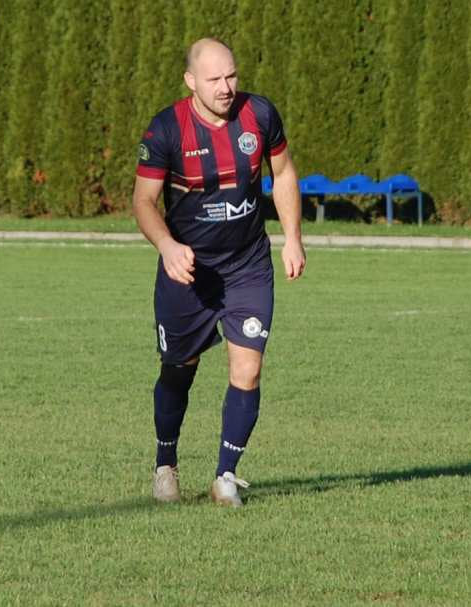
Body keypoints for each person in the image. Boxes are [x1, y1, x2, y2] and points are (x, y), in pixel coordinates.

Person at [132, 38, 305, 507]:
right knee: (178, 370)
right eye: (214, 79)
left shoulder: (259, 116)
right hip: (189, 271)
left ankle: (226, 475)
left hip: (248, 265)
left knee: (247, 369)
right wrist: (167, 245)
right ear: (191, 82)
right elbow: (144, 201)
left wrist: (292, 237)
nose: (226, 87)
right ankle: (165, 462)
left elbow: (283, 172)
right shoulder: (167, 129)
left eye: (231, 76)